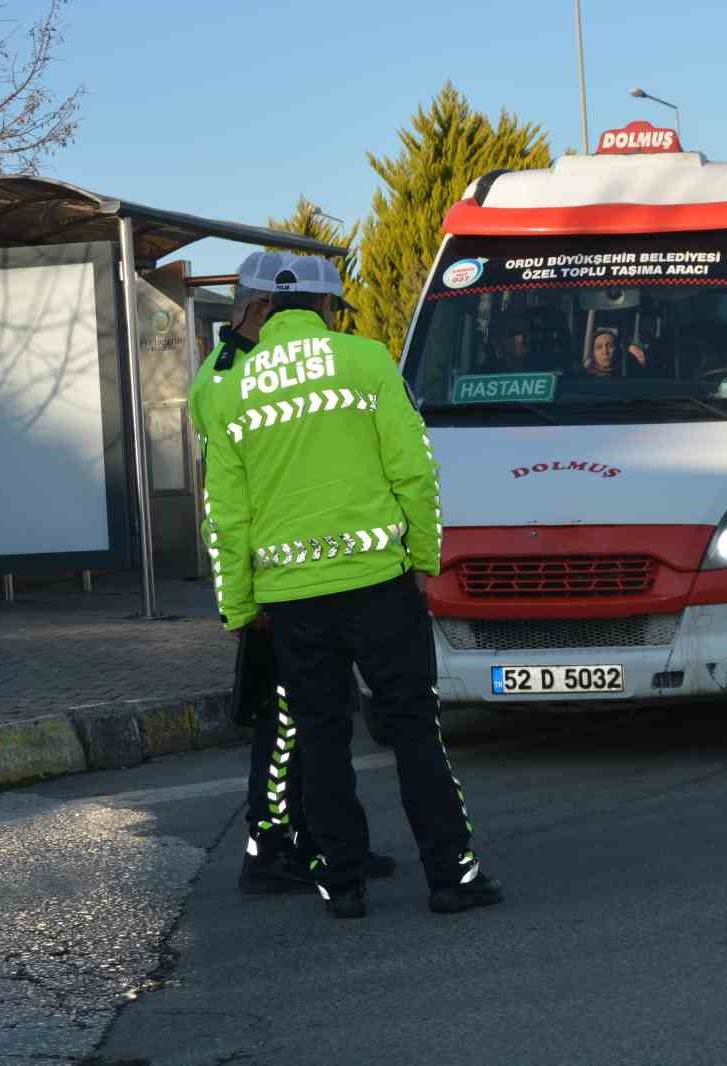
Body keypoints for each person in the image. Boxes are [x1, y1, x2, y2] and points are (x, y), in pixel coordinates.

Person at [201, 254, 501, 920]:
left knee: (320, 735)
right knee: (416, 730)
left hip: (291, 597)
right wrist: (425, 558)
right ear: (330, 309)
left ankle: (342, 884)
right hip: (379, 585)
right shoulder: (366, 362)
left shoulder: (230, 388)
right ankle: (452, 874)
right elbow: (414, 471)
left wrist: (240, 605)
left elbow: (226, 509)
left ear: (266, 311)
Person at [189, 251, 400, 895]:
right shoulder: (228, 380)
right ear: (259, 309)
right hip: (278, 582)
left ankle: (328, 847)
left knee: (320, 719)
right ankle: (270, 850)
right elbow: (227, 506)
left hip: (293, 576)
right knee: (287, 725)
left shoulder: (242, 369)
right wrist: (240, 600)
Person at [583, 327, 648, 377]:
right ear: (593, 353)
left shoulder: (628, 374)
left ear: (617, 349)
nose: (605, 352)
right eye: (599, 347)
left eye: (610, 346)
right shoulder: (584, 378)